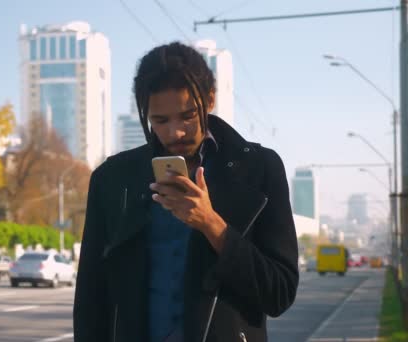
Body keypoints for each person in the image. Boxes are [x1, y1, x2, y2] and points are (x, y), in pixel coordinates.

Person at [73, 42, 298, 342]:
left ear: (211, 99)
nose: (175, 132)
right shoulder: (113, 179)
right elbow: (91, 300)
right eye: (160, 120)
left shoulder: (259, 169)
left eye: (188, 115)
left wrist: (211, 224)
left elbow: (279, 294)